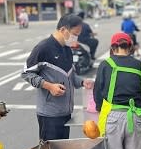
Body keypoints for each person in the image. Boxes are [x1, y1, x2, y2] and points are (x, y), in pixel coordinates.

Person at [22, 13, 94, 141]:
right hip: (49, 114)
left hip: (65, 112)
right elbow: (26, 73)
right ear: (63, 30)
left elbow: (71, 76)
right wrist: (49, 86)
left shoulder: (67, 49)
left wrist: (83, 82)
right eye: (75, 34)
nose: (76, 39)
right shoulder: (43, 48)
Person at [94, 32, 141, 149]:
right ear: (130, 48)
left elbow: (98, 91)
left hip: (114, 117)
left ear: (113, 48)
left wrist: (99, 108)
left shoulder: (106, 64)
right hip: (137, 116)